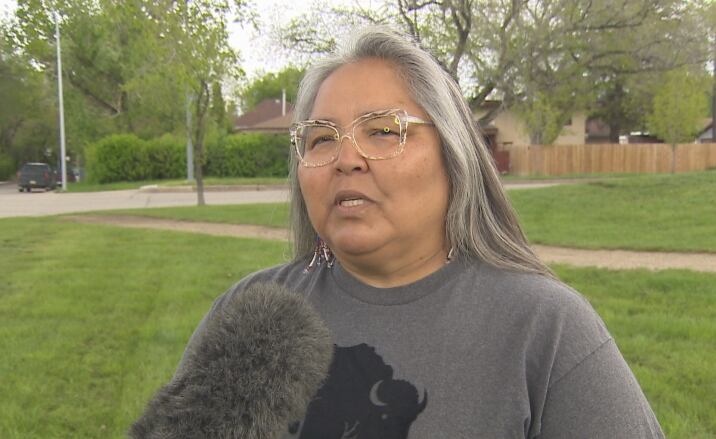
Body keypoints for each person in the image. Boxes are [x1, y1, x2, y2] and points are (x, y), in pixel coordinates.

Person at [166, 26, 665, 438]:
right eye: (320, 138)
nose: (345, 159)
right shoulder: (250, 312)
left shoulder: (544, 328)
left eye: (383, 131)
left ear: (453, 154)